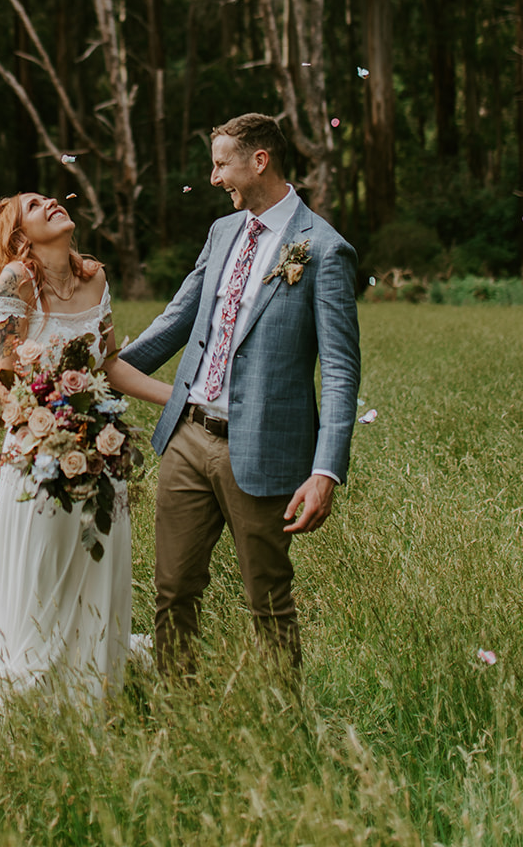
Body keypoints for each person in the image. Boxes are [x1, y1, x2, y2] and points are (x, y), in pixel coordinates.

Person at [119, 113, 361, 673]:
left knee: (268, 603)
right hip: (186, 439)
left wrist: (326, 472)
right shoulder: (222, 232)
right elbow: (178, 319)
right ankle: (179, 711)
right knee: (173, 590)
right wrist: (86, 375)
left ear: (259, 161)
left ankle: (281, 728)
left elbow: (342, 372)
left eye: (220, 164)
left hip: (262, 451)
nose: (212, 178)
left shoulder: (323, 249)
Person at [0, 191, 172, 717]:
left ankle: (91, 696)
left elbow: (110, 366)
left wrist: (183, 398)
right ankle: (30, 696)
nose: (51, 200)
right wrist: (49, 430)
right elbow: (4, 377)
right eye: (35, 205)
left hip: (100, 448)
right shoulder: (16, 281)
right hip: (39, 452)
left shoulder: (95, 279)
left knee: (99, 563)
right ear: (19, 236)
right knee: (43, 567)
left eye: (50, 196)